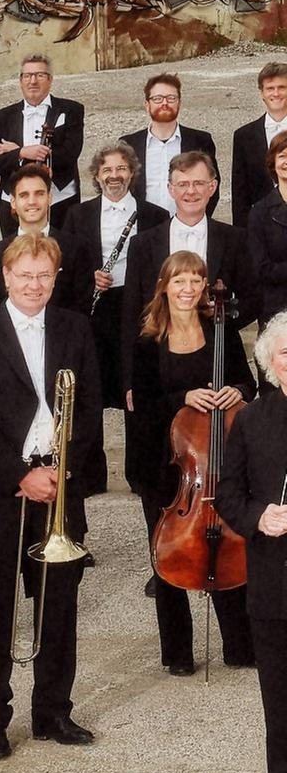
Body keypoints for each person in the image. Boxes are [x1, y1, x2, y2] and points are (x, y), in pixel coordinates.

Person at [0, 234, 104, 760]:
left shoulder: (75, 328)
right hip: (1, 487)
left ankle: (53, 711)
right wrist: (22, 475)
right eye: (25, 275)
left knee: (58, 603)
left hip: (60, 483)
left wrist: (64, 468)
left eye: (44, 275)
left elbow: (88, 411)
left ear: (56, 277)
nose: (34, 284)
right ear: (6, 278)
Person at [124, 251, 256, 677]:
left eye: (195, 280)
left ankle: (239, 644)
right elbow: (141, 407)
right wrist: (183, 398)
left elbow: (249, 384)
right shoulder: (147, 341)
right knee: (171, 552)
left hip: (216, 460)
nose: (188, 289)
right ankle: (177, 652)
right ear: (164, 285)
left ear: (204, 287)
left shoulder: (222, 330)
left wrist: (236, 391)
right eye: (179, 280)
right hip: (167, 465)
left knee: (228, 541)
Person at [210, 313, 287, 773]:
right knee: (279, 694)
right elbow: (229, 496)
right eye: (285, 353)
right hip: (274, 582)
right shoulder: (252, 422)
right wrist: (259, 516)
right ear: (269, 364)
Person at [120, 151, 255, 382]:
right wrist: (129, 380)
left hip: (216, 355)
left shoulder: (235, 239)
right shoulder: (142, 244)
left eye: (199, 183)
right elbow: (131, 311)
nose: (191, 191)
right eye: (182, 184)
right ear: (171, 189)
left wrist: (220, 320)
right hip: (157, 362)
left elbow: (253, 299)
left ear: (212, 188)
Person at [62, 143, 167, 409]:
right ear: (97, 176)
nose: (114, 175)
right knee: (96, 386)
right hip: (96, 309)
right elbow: (68, 264)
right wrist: (90, 277)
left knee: (137, 384)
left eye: (121, 168)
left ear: (132, 173)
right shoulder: (78, 215)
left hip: (139, 307)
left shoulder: (155, 215)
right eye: (106, 169)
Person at [0, 54, 85, 233]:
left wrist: (19, 151)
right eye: (27, 76)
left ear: (50, 80)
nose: (33, 81)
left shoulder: (71, 110)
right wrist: (21, 152)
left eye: (40, 75)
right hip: (14, 205)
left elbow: (69, 155)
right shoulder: (3, 117)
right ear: (20, 81)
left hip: (60, 201)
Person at [122, 73, 218, 218]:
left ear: (179, 103)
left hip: (186, 226)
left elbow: (212, 187)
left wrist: (195, 220)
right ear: (147, 105)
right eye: (157, 98)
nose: (164, 103)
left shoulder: (200, 141)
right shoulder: (129, 144)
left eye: (171, 98)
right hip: (142, 229)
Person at [0, 165, 61, 308]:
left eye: (39, 194)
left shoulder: (75, 249)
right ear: (13, 202)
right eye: (24, 195)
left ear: (49, 198)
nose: (32, 201)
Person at [230, 62, 287, 227]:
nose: (276, 93)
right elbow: (240, 194)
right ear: (261, 93)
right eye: (270, 88)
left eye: (282, 87)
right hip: (261, 229)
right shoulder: (243, 136)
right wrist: (241, 238)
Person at [245, 132, 287, 326]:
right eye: (282, 156)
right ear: (273, 163)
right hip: (275, 308)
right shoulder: (259, 212)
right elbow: (260, 268)